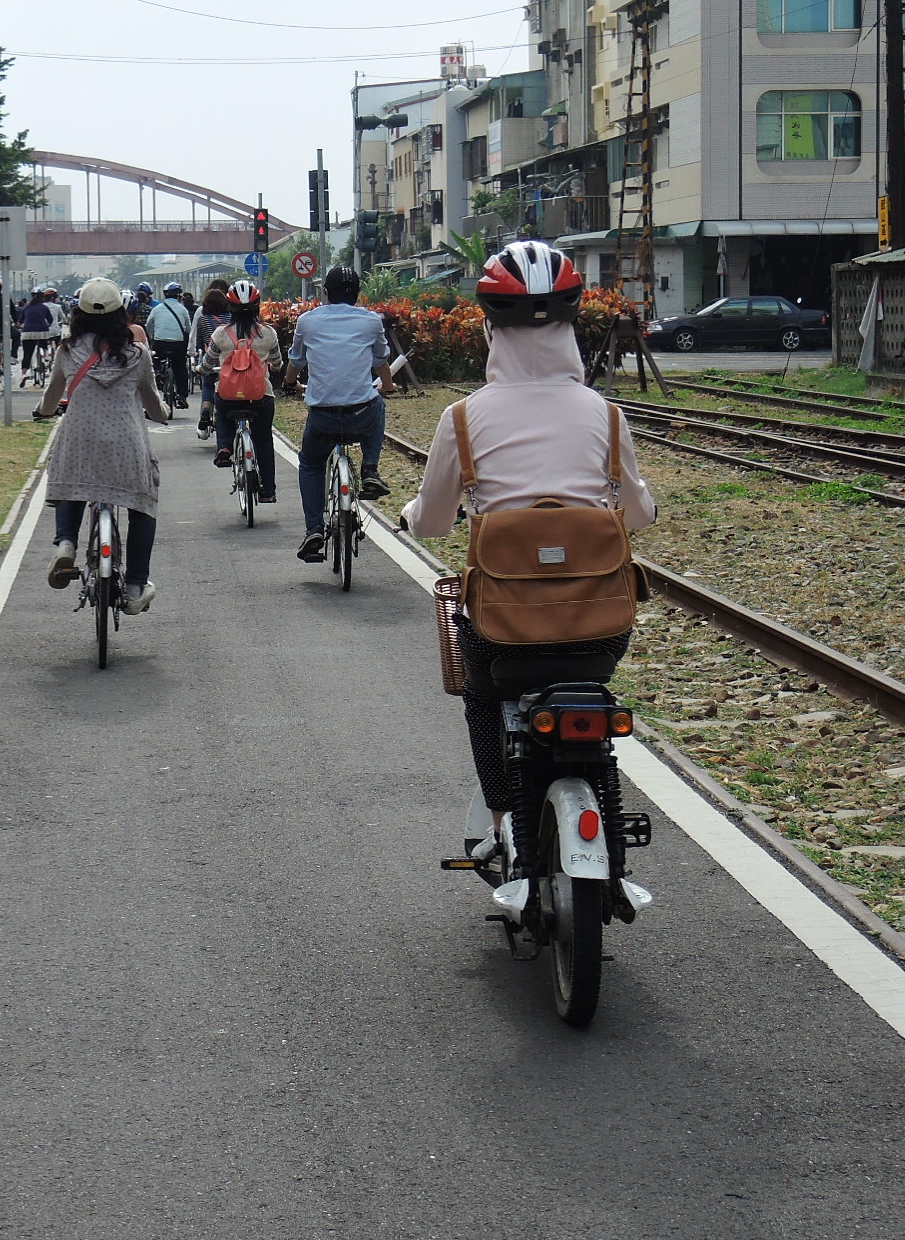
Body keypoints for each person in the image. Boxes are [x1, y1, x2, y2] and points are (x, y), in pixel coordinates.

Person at [402, 240, 658, 859]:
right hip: (599, 631)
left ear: (490, 326)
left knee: (484, 699)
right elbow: (641, 514)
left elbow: (433, 523)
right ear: (571, 324)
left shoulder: (463, 419)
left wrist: (413, 515)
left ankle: (502, 825)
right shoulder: (605, 414)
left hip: (502, 632)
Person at [35, 277, 170, 614]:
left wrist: (43, 411)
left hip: (80, 437)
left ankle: (66, 543)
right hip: (126, 443)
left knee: (74, 483)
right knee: (142, 506)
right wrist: (164, 413)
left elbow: (53, 396)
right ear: (121, 313)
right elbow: (152, 402)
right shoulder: (136, 355)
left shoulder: (67, 350)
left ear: (78, 313)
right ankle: (136, 585)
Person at [284, 264, 396, 561]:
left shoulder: (307, 321)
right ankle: (370, 468)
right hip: (362, 415)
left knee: (310, 463)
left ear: (325, 293)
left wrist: (289, 383)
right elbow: (380, 358)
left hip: (322, 418)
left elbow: (296, 360)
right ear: (358, 294)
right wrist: (387, 384)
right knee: (378, 403)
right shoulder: (372, 321)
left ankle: (314, 530)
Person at [210, 279, 284, 501]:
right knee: (263, 440)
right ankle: (268, 492)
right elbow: (278, 363)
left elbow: (207, 362)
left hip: (229, 397)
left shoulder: (221, 334)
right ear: (257, 306)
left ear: (229, 307)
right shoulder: (268, 334)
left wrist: (201, 369)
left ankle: (224, 446)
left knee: (221, 409)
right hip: (260, 396)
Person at [192, 281, 233, 440]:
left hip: (210, 360)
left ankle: (205, 410)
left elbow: (199, 344)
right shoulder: (231, 318)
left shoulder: (202, 319)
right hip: (229, 361)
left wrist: (196, 361)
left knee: (208, 385)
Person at [146, 286, 195, 410]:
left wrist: (152, 336)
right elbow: (188, 329)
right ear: (179, 296)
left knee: (155, 359)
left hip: (159, 343)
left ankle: (157, 373)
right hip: (178, 344)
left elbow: (148, 326)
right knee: (180, 368)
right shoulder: (182, 309)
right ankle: (182, 396)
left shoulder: (156, 309)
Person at [18, 287, 58, 386]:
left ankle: (24, 374)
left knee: (27, 354)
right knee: (43, 346)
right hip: (42, 331)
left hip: (28, 332)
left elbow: (20, 321)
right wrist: (47, 325)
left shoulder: (26, 307)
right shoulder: (44, 307)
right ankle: (45, 359)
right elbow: (50, 320)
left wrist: (22, 326)